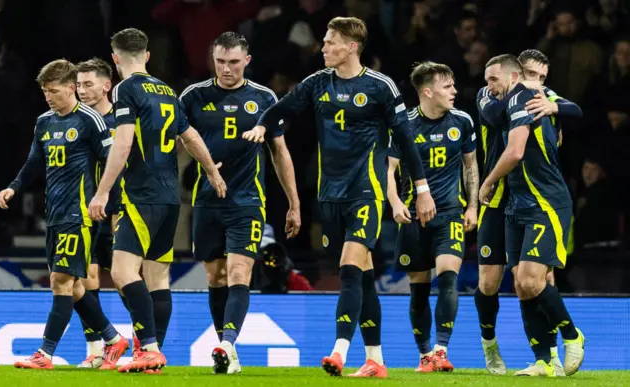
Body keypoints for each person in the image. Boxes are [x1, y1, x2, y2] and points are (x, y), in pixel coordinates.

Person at [246, 16, 436, 378]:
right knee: (362, 278)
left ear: (351, 47)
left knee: (349, 269)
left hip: (366, 190)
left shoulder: (381, 87)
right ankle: (376, 361)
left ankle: (339, 350)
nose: (323, 47)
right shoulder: (318, 83)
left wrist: (422, 189)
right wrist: (261, 124)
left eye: (330, 41)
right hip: (329, 194)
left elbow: (407, 140)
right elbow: (283, 107)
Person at [87, 28, 226, 373]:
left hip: (141, 194)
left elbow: (123, 144)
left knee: (121, 272)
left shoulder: (125, 89)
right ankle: (152, 355)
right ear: (147, 56)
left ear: (116, 59)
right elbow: (189, 135)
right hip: (170, 198)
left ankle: (147, 347)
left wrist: (103, 191)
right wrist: (211, 170)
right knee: (158, 277)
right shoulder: (166, 90)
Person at [179, 31, 301, 374]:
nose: (226, 68)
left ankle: (227, 343)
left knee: (238, 272)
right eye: (220, 61)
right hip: (206, 201)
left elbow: (280, 152)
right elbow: (179, 138)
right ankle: (227, 353)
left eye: (233, 62)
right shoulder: (194, 96)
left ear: (247, 60)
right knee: (216, 277)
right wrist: (204, 166)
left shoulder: (263, 98)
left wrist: (294, 203)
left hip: (246, 201)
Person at [0, 59, 129, 370]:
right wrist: (14, 187)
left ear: (71, 88)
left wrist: (107, 198)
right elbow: (34, 162)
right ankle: (113, 338)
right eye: (45, 91)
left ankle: (44, 354)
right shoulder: (44, 121)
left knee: (60, 280)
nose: (48, 96)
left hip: (79, 214)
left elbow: (113, 160)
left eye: (53, 91)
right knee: (76, 286)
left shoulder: (91, 121)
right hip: (54, 214)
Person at [474, 49, 582, 375]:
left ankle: (572, 336)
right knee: (518, 283)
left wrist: (553, 105)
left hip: (543, 201)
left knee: (533, 279)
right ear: (518, 73)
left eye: (543, 79)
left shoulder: (535, 100)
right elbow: (493, 115)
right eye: (532, 75)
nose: (539, 84)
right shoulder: (500, 96)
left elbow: (517, 150)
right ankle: (543, 361)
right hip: (511, 202)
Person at [387, 62, 478, 373]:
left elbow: (470, 167)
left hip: (450, 214)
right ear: (427, 91)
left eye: (454, 85)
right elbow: (388, 170)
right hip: (412, 218)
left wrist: (473, 206)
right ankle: (425, 354)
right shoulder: (404, 125)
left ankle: (441, 350)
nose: (454, 91)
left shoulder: (462, 121)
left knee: (449, 278)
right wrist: (395, 201)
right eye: (447, 86)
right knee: (419, 289)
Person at [75, 57, 123, 369]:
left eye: (88, 84)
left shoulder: (124, 119)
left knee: (124, 279)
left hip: (120, 207)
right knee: (87, 276)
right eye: (78, 85)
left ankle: (146, 344)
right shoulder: (74, 120)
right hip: (85, 209)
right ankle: (96, 349)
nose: (81, 91)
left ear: (107, 85)